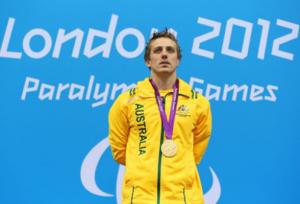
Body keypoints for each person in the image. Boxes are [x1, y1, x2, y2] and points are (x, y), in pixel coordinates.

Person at [108, 29, 212, 204]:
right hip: (139, 198)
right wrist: (143, 163)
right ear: (148, 61)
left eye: (170, 50)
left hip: (184, 198)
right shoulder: (127, 101)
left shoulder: (198, 102)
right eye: (158, 50)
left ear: (178, 60)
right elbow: (119, 151)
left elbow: (196, 150)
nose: (164, 54)